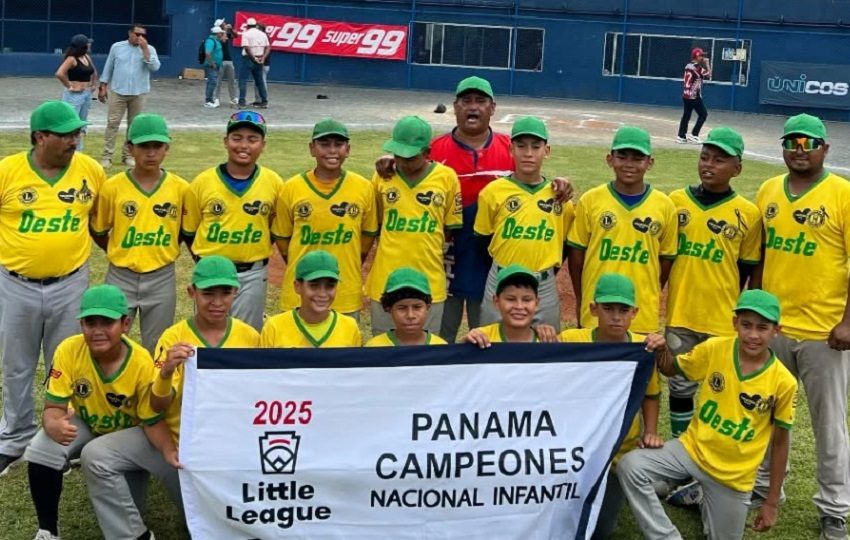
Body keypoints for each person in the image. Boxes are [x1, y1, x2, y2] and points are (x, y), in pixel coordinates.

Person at [81, 256, 259, 540]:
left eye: (225, 292)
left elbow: (254, 399)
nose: (216, 301)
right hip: (176, 444)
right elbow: (157, 405)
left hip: (224, 450)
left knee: (217, 530)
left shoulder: (250, 337)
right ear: (192, 293)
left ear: (236, 293)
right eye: (207, 293)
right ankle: (133, 535)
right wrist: (165, 372)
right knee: (96, 455)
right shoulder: (174, 337)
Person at [618, 289, 797, 540]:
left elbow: (780, 443)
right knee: (631, 466)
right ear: (735, 323)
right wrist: (660, 351)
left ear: (776, 330)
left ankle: (704, 498)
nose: (753, 335)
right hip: (692, 451)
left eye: (762, 327)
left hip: (733, 479)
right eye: (746, 325)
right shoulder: (715, 348)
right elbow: (672, 369)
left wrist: (772, 502)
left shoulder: (784, 382)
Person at [751, 113, 850, 540]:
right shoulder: (768, 191)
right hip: (775, 329)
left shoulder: (843, 193)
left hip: (824, 332)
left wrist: (849, 321)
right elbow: (759, 259)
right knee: (766, 416)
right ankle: (762, 488)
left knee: (828, 424)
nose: (800, 148)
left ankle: (834, 508)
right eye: (792, 141)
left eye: (809, 142)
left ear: (825, 148)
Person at [0, 101, 105, 477]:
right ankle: (14, 438)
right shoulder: (8, 172)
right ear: (40, 137)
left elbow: (100, 220)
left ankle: (64, 440)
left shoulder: (90, 170)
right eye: (65, 135)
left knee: (69, 363)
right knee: (17, 365)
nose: (74, 140)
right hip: (16, 283)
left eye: (76, 133)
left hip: (70, 282)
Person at [23, 284, 161, 540]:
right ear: (81, 324)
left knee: (132, 510)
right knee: (41, 448)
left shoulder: (141, 361)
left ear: (125, 323)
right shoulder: (68, 349)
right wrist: (53, 423)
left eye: (107, 322)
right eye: (90, 322)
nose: (97, 331)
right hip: (88, 422)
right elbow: (53, 408)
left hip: (130, 434)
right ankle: (47, 530)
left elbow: (152, 421)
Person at [665, 127, 761, 440]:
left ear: (737, 168)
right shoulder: (676, 202)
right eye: (705, 157)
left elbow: (748, 271)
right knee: (680, 387)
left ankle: (710, 453)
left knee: (719, 391)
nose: (708, 164)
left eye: (719, 160)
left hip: (722, 321)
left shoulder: (748, 214)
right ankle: (682, 450)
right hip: (681, 315)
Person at [559, 273, 665, 539]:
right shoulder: (571, 340)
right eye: (608, 309)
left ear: (634, 313)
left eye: (623, 310)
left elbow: (650, 395)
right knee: (564, 516)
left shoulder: (643, 349)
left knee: (599, 529)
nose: (616, 317)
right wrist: (543, 332)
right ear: (593, 309)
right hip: (574, 448)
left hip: (618, 451)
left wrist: (650, 430)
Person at [91, 113, 188, 354]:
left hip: (161, 275)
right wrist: (122, 249)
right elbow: (99, 230)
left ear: (167, 148)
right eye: (144, 146)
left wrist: (162, 252)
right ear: (130, 148)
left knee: (157, 347)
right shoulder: (113, 187)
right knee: (109, 342)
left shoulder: (181, 188)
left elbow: (184, 232)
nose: (151, 153)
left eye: (157, 146)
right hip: (121, 274)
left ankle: (151, 391)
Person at [567, 126, 677, 335]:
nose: (629, 164)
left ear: (649, 163)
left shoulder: (664, 205)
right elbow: (576, 254)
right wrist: (583, 299)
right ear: (610, 159)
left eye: (637, 158)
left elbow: (666, 259)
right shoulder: (591, 200)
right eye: (622, 156)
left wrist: (649, 292)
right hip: (597, 312)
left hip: (642, 315)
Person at [181, 110, 283, 331]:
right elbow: (189, 232)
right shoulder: (202, 182)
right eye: (237, 138)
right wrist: (206, 262)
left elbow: (274, 228)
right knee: (208, 335)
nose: (244, 145)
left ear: (263, 144)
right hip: (211, 275)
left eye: (252, 139)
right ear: (226, 142)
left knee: (246, 338)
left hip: (253, 273)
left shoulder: (273, 182)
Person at [474, 115, 574, 330]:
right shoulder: (493, 192)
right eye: (521, 146)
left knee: (545, 351)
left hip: (543, 285)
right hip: (501, 278)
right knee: (491, 346)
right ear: (511, 149)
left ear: (546, 151)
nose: (528, 153)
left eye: (536, 147)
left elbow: (563, 244)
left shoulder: (560, 197)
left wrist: (545, 271)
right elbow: (482, 241)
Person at [272, 119, 378, 320]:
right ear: (312, 149)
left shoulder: (363, 188)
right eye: (324, 144)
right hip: (300, 294)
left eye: (338, 145)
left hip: (344, 292)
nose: (332, 151)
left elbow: (366, 239)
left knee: (342, 349)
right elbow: (283, 240)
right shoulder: (292, 188)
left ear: (348, 149)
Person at [367, 115, 462, 335]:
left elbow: (449, 230)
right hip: (385, 281)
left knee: (425, 357)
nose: (402, 162)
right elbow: (377, 224)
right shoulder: (383, 176)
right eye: (398, 155)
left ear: (427, 153)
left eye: (410, 157)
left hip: (429, 283)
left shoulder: (446, 178)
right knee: (383, 352)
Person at [260, 250, 361, 347]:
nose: (322, 294)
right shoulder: (275, 327)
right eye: (314, 285)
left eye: (330, 286)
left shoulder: (350, 327)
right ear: (297, 286)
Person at [98, 23, 160, 169]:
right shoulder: (117, 47)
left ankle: (128, 156)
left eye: (142, 35)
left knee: (133, 126)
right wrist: (103, 86)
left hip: (139, 92)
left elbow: (155, 67)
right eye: (137, 34)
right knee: (112, 123)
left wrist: (145, 50)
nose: (140, 37)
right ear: (130, 33)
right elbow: (109, 66)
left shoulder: (149, 49)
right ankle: (107, 156)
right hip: (118, 91)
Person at [466, 265, 557, 346]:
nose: (519, 306)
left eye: (527, 300)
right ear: (496, 302)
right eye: (511, 299)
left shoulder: (546, 340)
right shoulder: (483, 338)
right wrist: (467, 343)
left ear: (537, 303)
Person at [365, 267, 448, 346]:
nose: (410, 315)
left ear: (427, 307)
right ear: (389, 309)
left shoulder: (441, 348)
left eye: (417, 307)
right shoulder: (374, 347)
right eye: (402, 308)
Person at [54, 34, 97, 151]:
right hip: (74, 96)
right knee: (71, 124)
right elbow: (59, 73)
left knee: (82, 124)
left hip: (86, 94)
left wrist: (93, 84)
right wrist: (69, 86)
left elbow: (93, 72)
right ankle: (67, 150)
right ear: (82, 46)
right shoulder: (72, 59)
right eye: (87, 43)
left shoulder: (86, 57)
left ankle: (78, 152)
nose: (89, 45)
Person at [677, 47, 711, 144]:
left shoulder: (688, 66)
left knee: (686, 115)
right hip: (694, 95)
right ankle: (694, 135)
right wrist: (707, 64)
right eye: (701, 56)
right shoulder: (697, 68)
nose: (703, 58)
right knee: (703, 114)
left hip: (686, 94)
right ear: (697, 56)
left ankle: (681, 135)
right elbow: (709, 75)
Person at [237, 17, 269, 109]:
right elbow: (268, 47)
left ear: (247, 25)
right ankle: (264, 101)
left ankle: (242, 101)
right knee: (260, 81)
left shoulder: (246, 34)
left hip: (248, 59)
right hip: (260, 58)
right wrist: (263, 57)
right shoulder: (263, 34)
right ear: (255, 25)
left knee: (243, 80)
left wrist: (253, 58)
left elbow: (247, 48)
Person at [213, 18, 239, 107]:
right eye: (223, 23)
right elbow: (223, 40)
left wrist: (231, 29)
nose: (225, 23)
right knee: (218, 81)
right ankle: (216, 99)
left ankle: (234, 98)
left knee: (232, 80)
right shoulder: (217, 34)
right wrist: (225, 30)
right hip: (220, 61)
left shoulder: (226, 32)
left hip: (229, 60)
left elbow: (236, 36)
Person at [203, 25, 225, 108]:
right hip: (211, 66)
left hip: (215, 65)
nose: (222, 34)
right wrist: (212, 63)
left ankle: (209, 99)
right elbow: (208, 53)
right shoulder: (211, 41)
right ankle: (208, 100)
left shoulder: (216, 40)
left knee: (212, 82)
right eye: (220, 33)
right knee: (212, 82)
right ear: (217, 33)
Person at [253, 23, 271, 106]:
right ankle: (258, 100)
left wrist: (262, 59)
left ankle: (264, 99)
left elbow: (266, 50)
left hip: (263, 63)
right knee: (258, 81)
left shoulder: (264, 37)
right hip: (260, 62)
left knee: (262, 81)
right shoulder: (264, 37)